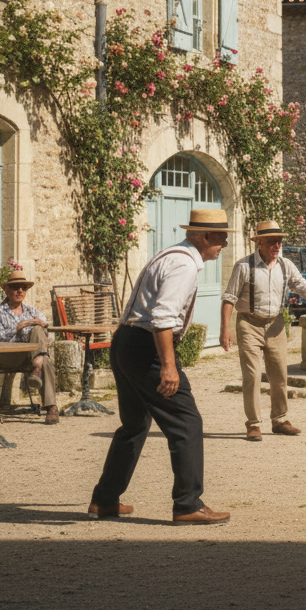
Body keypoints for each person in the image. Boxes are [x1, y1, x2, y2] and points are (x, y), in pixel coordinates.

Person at [88, 208, 235, 524]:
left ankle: (105, 500)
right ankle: (187, 504)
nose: (223, 244)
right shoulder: (183, 265)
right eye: (222, 237)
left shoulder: (170, 255)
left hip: (126, 342)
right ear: (206, 236)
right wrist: (168, 366)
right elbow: (163, 318)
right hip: (146, 348)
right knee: (186, 422)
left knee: (135, 426)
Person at [221, 220, 306, 441]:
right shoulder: (244, 266)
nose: (277, 245)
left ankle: (280, 420)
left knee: (280, 374)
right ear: (259, 242)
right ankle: (253, 424)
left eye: (279, 241)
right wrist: (225, 328)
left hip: (276, 324)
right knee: (252, 375)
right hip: (249, 324)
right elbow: (229, 298)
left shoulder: (285, 265)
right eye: (272, 241)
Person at [0, 270, 59, 425]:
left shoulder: (31, 311)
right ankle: (39, 366)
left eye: (23, 287)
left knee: (39, 333)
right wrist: (20, 326)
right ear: (6, 290)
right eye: (15, 287)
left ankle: (51, 406)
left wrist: (37, 324)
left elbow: (47, 328)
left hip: (29, 357)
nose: (20, 290)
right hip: (6, 356)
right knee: (42, 351)